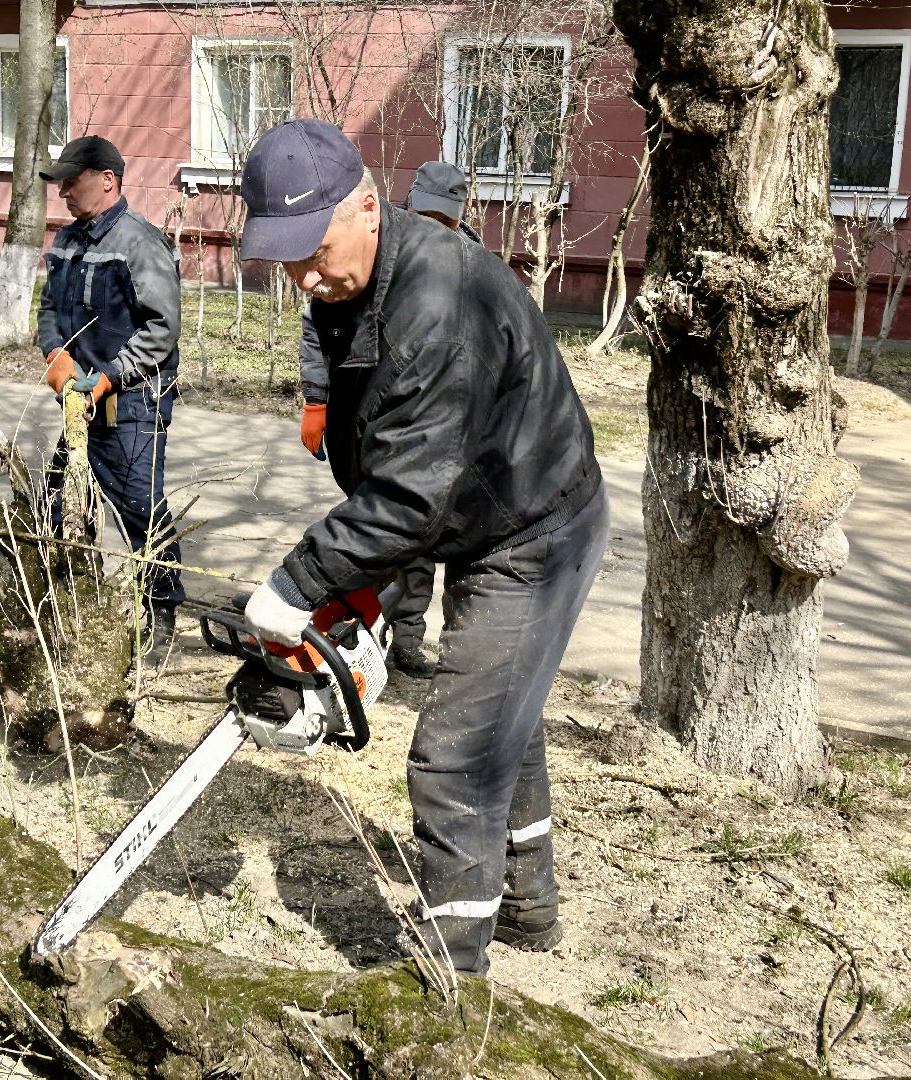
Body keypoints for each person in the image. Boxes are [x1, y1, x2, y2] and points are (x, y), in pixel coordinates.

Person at [240, 119, 608, 974]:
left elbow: (410, 492)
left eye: (316, 250)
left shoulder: (436, 300)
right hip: (472, 508)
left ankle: (449, 982)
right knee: (500, 721)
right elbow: (400, 460)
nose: (305, 276)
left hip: (535, 528)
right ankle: (527, 909)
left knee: (453, 758)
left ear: (368, 206)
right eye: (287, 259)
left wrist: (301, 582)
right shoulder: (355, 282)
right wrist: (359, 577)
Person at [295, 161, 480, 681]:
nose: (431, 225)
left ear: (457, 218)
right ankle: (393, 639)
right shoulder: (373, 254)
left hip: (452, 425)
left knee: (461, 545)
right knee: (398, 535)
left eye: (442, 219)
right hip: (382, 420)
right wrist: (318, 400)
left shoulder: (472, 264)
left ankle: (451, 651)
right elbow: (320, 329)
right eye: (424, 214)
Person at [37, 135, 186, 666]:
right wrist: (55, 353)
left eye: (71, 182)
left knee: (141, 509)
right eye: (60, 184)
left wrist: (108, 378)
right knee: (55, 503)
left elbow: (161, 329)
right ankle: (71, 603)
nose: (63, 193)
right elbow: (49, 309)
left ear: (107, 179)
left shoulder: (140, 243)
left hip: (134, 401)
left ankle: (162, 610)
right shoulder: (66, 240)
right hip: (80, 401)